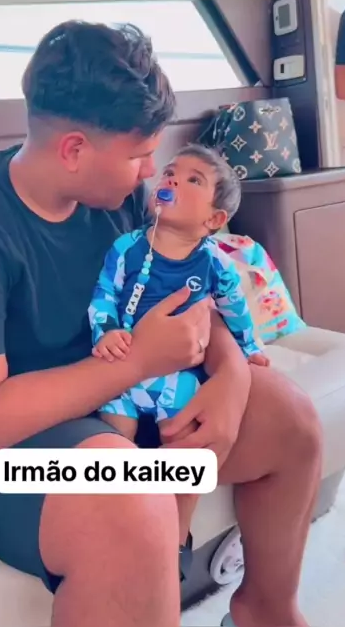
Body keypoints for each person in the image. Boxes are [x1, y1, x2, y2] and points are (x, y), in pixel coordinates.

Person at [0, 20, 322, 627]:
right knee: (131, 499)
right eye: (137, 154)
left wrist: (232, 376)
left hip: (116, 404)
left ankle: (265, 611)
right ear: (74, 150)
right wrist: (139, 363)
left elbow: (188, 302)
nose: (151, 170)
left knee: (291, 417)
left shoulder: (124, 199)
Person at [88, 143, 269, 568]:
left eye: (193, 180)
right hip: (122, 372)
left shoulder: (213, 263)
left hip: (177, 378)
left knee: (189, 441)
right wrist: (106, 331)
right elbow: (104, 294)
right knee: (115, 438)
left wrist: (249, 349)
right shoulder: (127, 248)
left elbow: (234, 308)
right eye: (170, 172)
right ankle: (126, 519)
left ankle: (175, 535)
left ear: (214, 220)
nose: (171, 179)